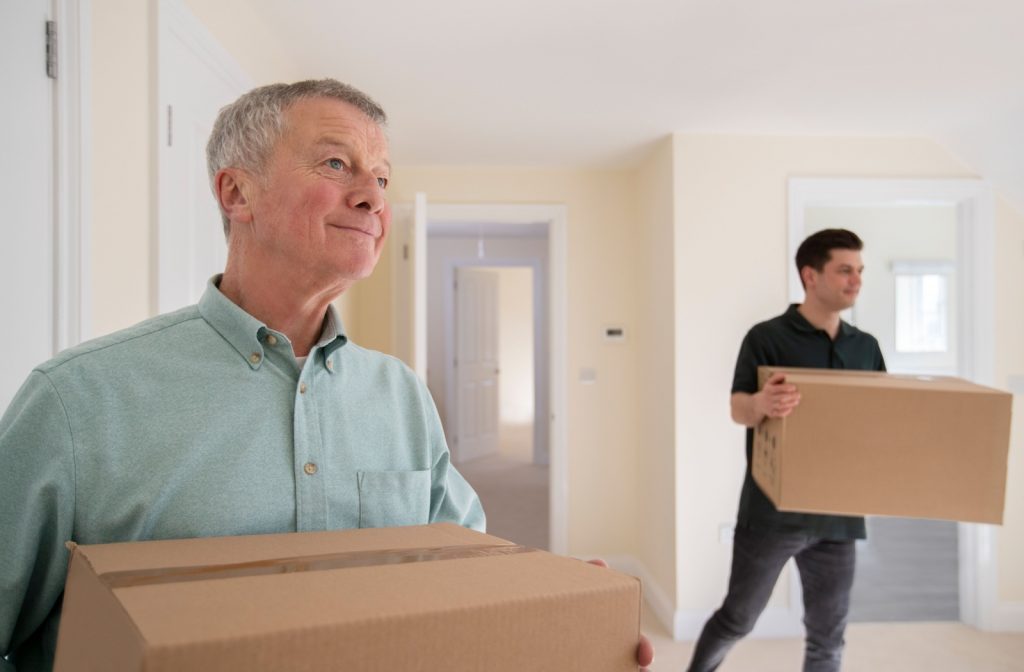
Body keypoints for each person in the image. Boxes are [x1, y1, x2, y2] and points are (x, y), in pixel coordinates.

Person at [0, 79, 652, 672]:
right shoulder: (75, 403)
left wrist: (562, 607)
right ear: (237, 192)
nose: (372, 197)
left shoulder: (401, 395)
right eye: (337, 164)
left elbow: (463, 574)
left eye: (384, 178)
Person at [687, 228, 885, 672]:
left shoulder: (866, 347)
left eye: (860, 271)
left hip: (840, 517)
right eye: (844, 270)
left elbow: (879, 419)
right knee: (737, 620)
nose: (856, 280)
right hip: (771, 513)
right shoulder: (767, 337)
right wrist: (761, 404)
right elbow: (738, 408)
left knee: (828, 639)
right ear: (810, 276)